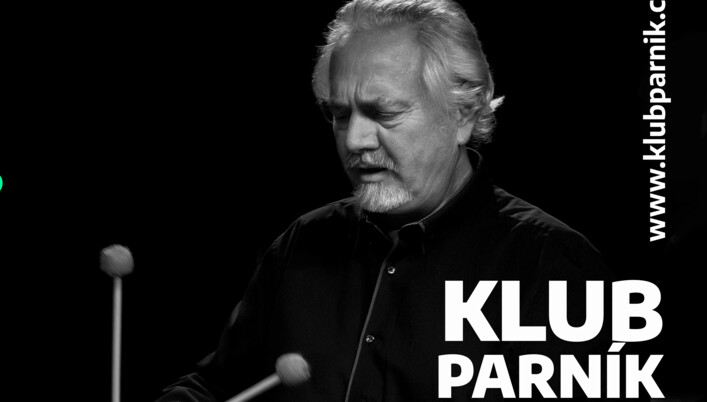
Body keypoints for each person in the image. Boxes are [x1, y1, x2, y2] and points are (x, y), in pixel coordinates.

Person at [157, 0, 614, 400]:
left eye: (384, 112)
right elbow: (219, 387)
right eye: (339, 115)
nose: (354, 140)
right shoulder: (301, 244)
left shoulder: (553, 266)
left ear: (462, 114)